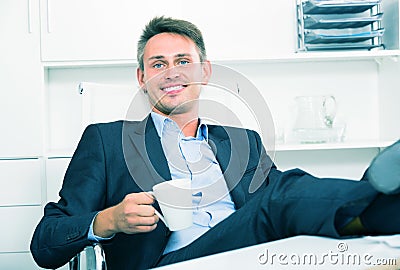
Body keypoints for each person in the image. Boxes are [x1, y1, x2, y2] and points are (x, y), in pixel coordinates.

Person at [30, 16, 400, 270]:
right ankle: (378, 198)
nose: (172, 71)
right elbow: (44, 244)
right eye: (158, 64)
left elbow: (293, 204)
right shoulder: (107, 140)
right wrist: (108, 219)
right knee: (276, 199)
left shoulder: (243, 142)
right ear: (142, 78)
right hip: (171, 263)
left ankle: (380, 203)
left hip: (251, 256)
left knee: (288, 197)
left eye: (183, 61)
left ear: (204, 72)